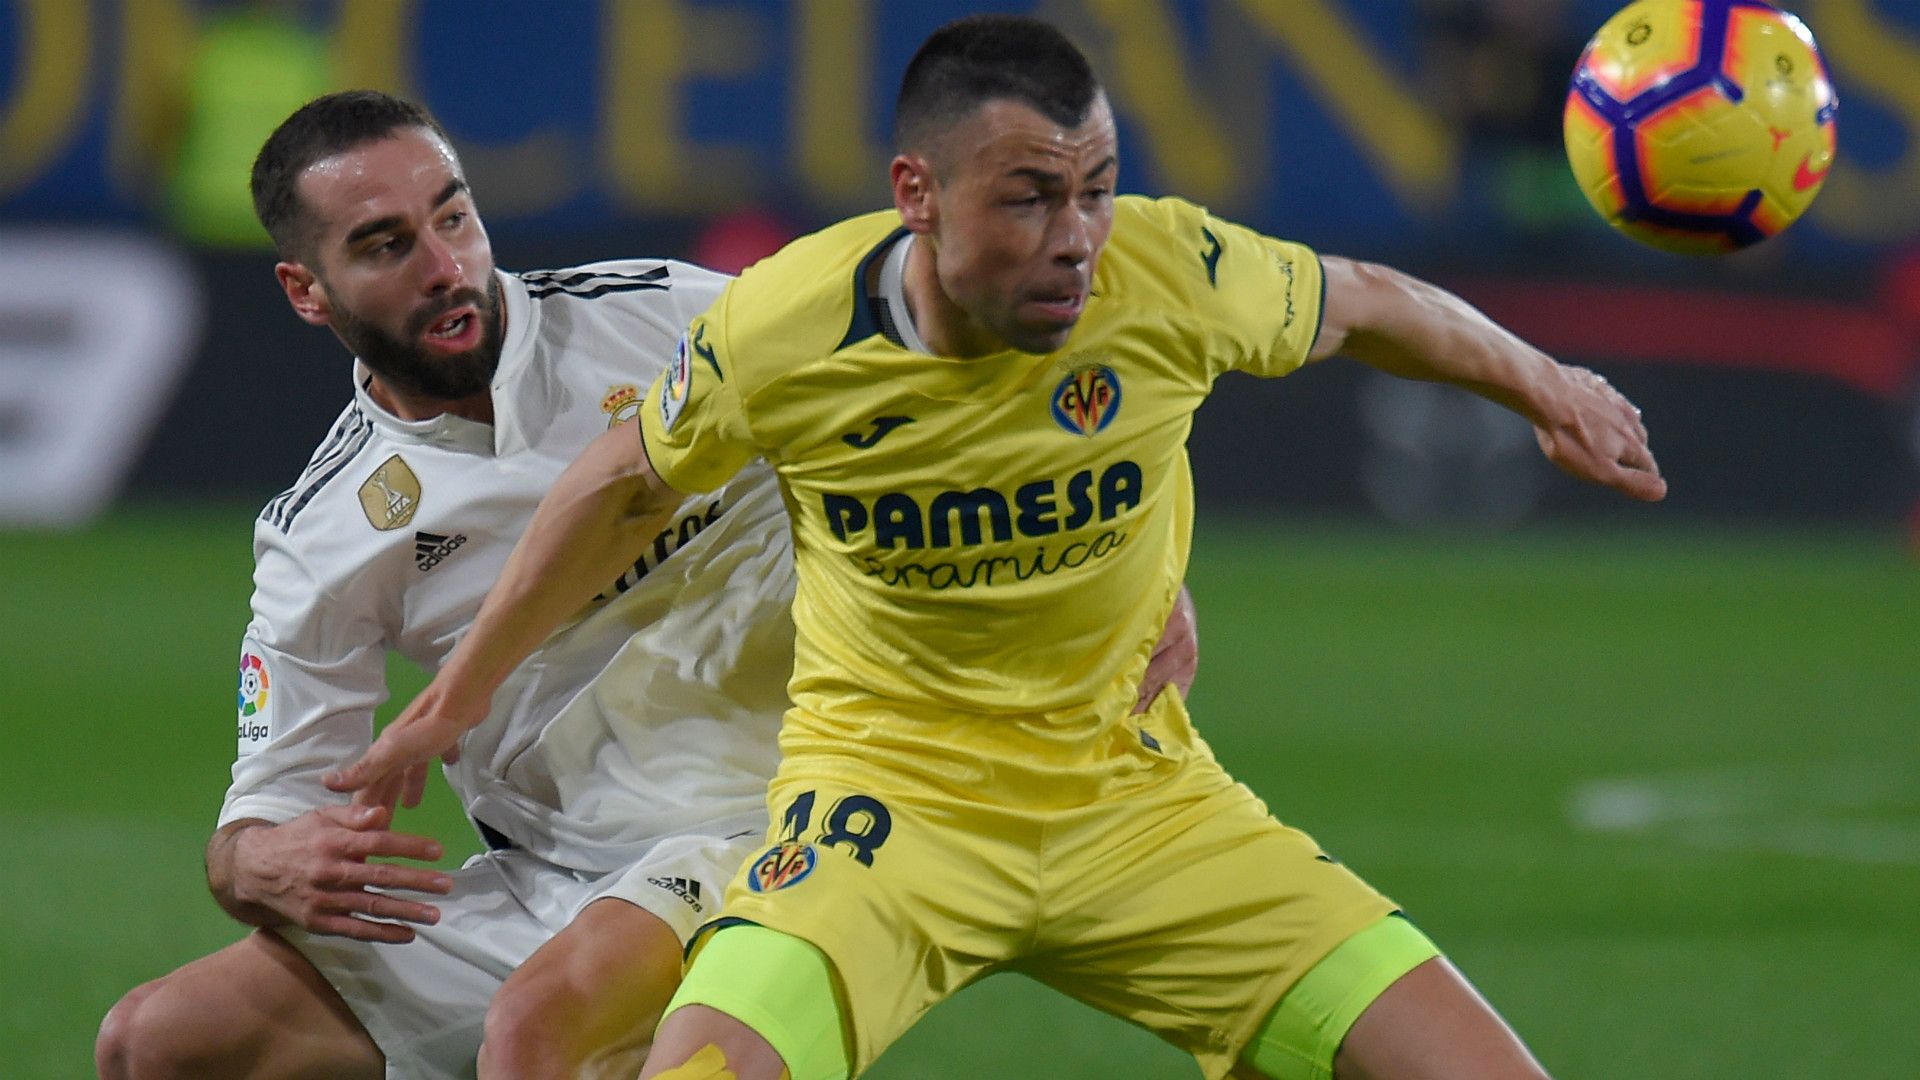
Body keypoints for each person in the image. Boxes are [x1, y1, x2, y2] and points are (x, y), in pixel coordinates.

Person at [328, 15, 1665, 1080]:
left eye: (1096, 189)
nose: (1076, 239)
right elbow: (620, 482)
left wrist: (1549, 384)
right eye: (1030, 198)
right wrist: (453, 701)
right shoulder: (789, 326)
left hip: (1141, 802)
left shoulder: (1170, 273)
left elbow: (1367, 304)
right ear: (918, 192)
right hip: (885, 813)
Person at [98, 88, 1197, 1080]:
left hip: (781, 815)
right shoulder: (323, 528)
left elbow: (974, 381)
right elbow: (263, 810)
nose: (445, 265)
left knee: (538, 1040)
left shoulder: (661, 315)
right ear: (305, 289)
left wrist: (1139, 561)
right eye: (386, 245)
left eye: (454, 215)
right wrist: (261, 865)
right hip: (553, 881)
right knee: (160, 1043)